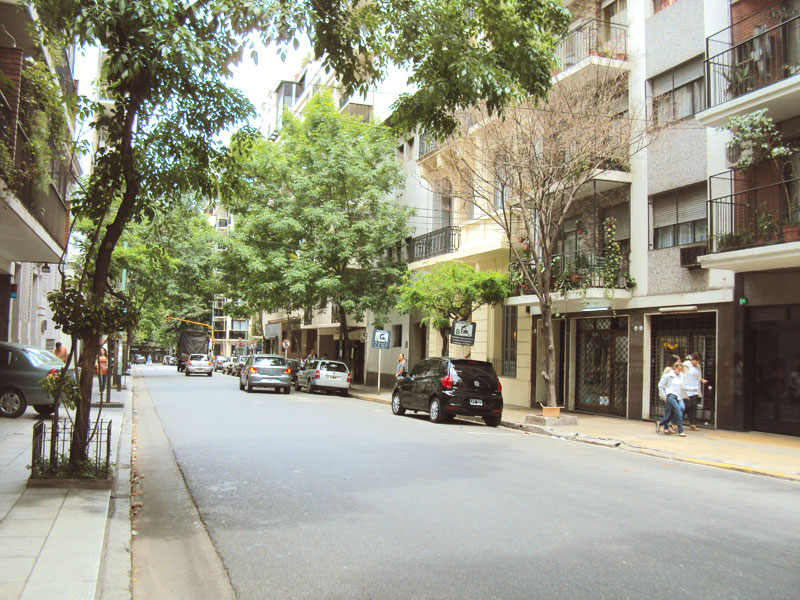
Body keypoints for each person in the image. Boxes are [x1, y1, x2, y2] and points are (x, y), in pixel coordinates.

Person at [657, 361, 688, 436]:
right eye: (679, 369)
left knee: (676, 411)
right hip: (670, 396)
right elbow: (660, 385)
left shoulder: (681, 376)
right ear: (675, 368)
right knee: (677, 412)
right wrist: (664, 396)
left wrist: (692, 388)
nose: (680, 371)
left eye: (681, 370)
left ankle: (661, 423)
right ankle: (680, 430)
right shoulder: (668, 375)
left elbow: (684, 386)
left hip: (678, 397)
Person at [682, 352, 707, 431]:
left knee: (694, 406)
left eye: (698, 361)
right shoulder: (686, 365)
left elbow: (698, 376)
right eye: (696, 361)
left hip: (695, 389)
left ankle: (693, 423)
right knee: (688, 406)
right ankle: (677, 419)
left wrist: (701, 380)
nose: (697, 363)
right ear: (693, 359)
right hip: (687, 388)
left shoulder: (698, 367)